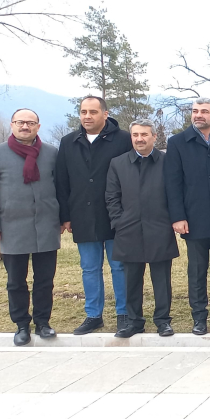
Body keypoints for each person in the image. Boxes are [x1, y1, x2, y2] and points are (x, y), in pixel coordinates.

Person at [0, 109, 61, 346]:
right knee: (16, 281)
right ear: (12, 125)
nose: (25, 126)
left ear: (38, 126)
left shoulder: (51, 153)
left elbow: (62, 188)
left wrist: (63, 218)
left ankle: (43, 322)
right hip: (11, 227)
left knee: (45, 280)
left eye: (30, 122)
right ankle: (22, 325)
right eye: (20, 122)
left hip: (46, 226)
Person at [55, 95, 133, 334]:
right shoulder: (69, 142)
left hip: (115, 215)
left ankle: (124, 313)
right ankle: (93, 315)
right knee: (89, 268)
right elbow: (62, 181)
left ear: (105, 114)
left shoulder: (123, 140)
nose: (87, 116)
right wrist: (65, 216)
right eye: (83, 112)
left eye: (92, 112)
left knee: (119, 266)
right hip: (82, 215)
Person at [164, 98, 210, 335]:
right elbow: (173, 183)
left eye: (204, 111)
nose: (198, 115)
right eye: (195, 111)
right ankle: (199, 317)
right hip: (193, 219)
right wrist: (177, 216)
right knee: (196, 271)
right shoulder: (177, 143)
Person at [106, 120, 179, 338]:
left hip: (160, 228)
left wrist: (171, 220)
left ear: (154, 137)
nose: (140, 138)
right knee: (131, 280)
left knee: (162, 281)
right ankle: (134, 322)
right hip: (128, 230)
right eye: (135, 134)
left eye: (145, 134)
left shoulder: (167, 161)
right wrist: (119, 221)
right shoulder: (118, 163)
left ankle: (163, 321)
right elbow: (111, 197)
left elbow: (176, 194)